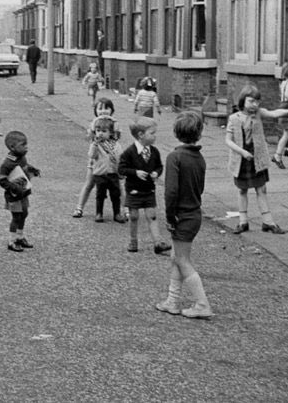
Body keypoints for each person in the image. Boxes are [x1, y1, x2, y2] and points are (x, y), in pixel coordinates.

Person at [225, 84, 288, 235]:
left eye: (257, 102)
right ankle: (243, 222)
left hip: (257, 158)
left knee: (261, 188)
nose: (255, 105)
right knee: (242, 190)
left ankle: (268, 222)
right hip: (241, 160)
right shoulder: (234, 118)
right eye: (251, 101)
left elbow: (274, 113)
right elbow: (228, 141)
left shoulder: (259, 113)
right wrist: (242, 152)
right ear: (243, 100)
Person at [157, 111, 213, 319]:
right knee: (176, 257)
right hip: (194, 213)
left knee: (182, 260)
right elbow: (201, 187)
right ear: (199, 133)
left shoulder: (175, 157)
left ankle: (202, 303)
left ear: (175, 132)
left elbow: (170, 191)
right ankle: (172, 301)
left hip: (181, 215)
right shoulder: (200, 158)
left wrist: (170, 217)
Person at [119, 117, 171, 254]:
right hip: (134, 190)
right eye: (152, 133)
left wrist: (156, 173)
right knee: (134, 216)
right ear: (141, 135)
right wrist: (135, 172)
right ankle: (133, 241)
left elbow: (159, 166)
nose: (155, 136)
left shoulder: (154, 151)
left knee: (152, 215)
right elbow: (121, 169)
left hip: (149, 189)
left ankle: (158, 242)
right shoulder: (129, 152)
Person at [72, 98, 118, 218]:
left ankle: (124, 210)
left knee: (118, 187)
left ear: (112, 110)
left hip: (110, 161)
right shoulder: (94, 123)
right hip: (96, 161)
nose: (103, 111)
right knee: (89, 183)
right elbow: (88, 137)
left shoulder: (115, 123)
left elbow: (117, 138)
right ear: (95, 110)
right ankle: (79, 208)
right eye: (100, 108)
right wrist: (94, 129)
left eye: (106, 108)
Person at [0, 131, 40, 252]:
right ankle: (12, 241)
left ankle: (20, 236)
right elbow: (2, 180)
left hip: (23, 193)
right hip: (14, 195)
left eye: (26, 144)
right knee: (16, 217)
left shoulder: (21, 158)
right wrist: (12, 187)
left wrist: (32, 169)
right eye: (23, 145)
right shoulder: (8, 163)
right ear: (12, 147)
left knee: (24, 213)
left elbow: (24, 167)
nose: (26, 147)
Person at [88, 117, 125, 223]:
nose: (100, 134)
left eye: (104, 131)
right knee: (100, 194)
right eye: (98, 131)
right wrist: (94, 146)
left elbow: (120, 157)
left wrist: (121, 169)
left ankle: (117, 213)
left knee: (115, 194)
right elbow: (92, 155)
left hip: (113, 173)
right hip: (100, 173)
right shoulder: (96, 145)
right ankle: (99, 213)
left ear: (111, 133)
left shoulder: (115, 145)